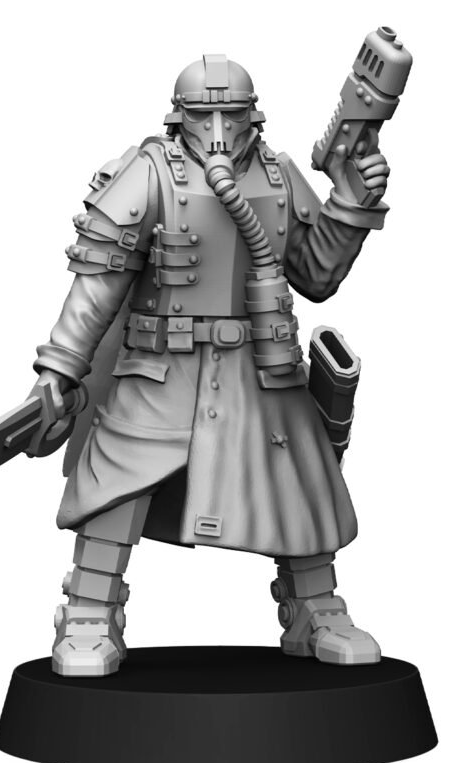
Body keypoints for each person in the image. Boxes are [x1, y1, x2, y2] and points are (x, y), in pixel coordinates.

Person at [32, 54, 392, 676]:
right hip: (161, 367)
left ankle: (315, 609)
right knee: (118, 480)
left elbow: (316, 275)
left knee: (300, 487)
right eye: (205, 115)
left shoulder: (277, 176)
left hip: (261, 368)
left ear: (255, 116)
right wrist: (61, 367)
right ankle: (89, 611)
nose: (219, 130)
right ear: (180, 117)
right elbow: (98, 284)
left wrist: (349, 203)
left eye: (232, 114)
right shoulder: (149, 173)